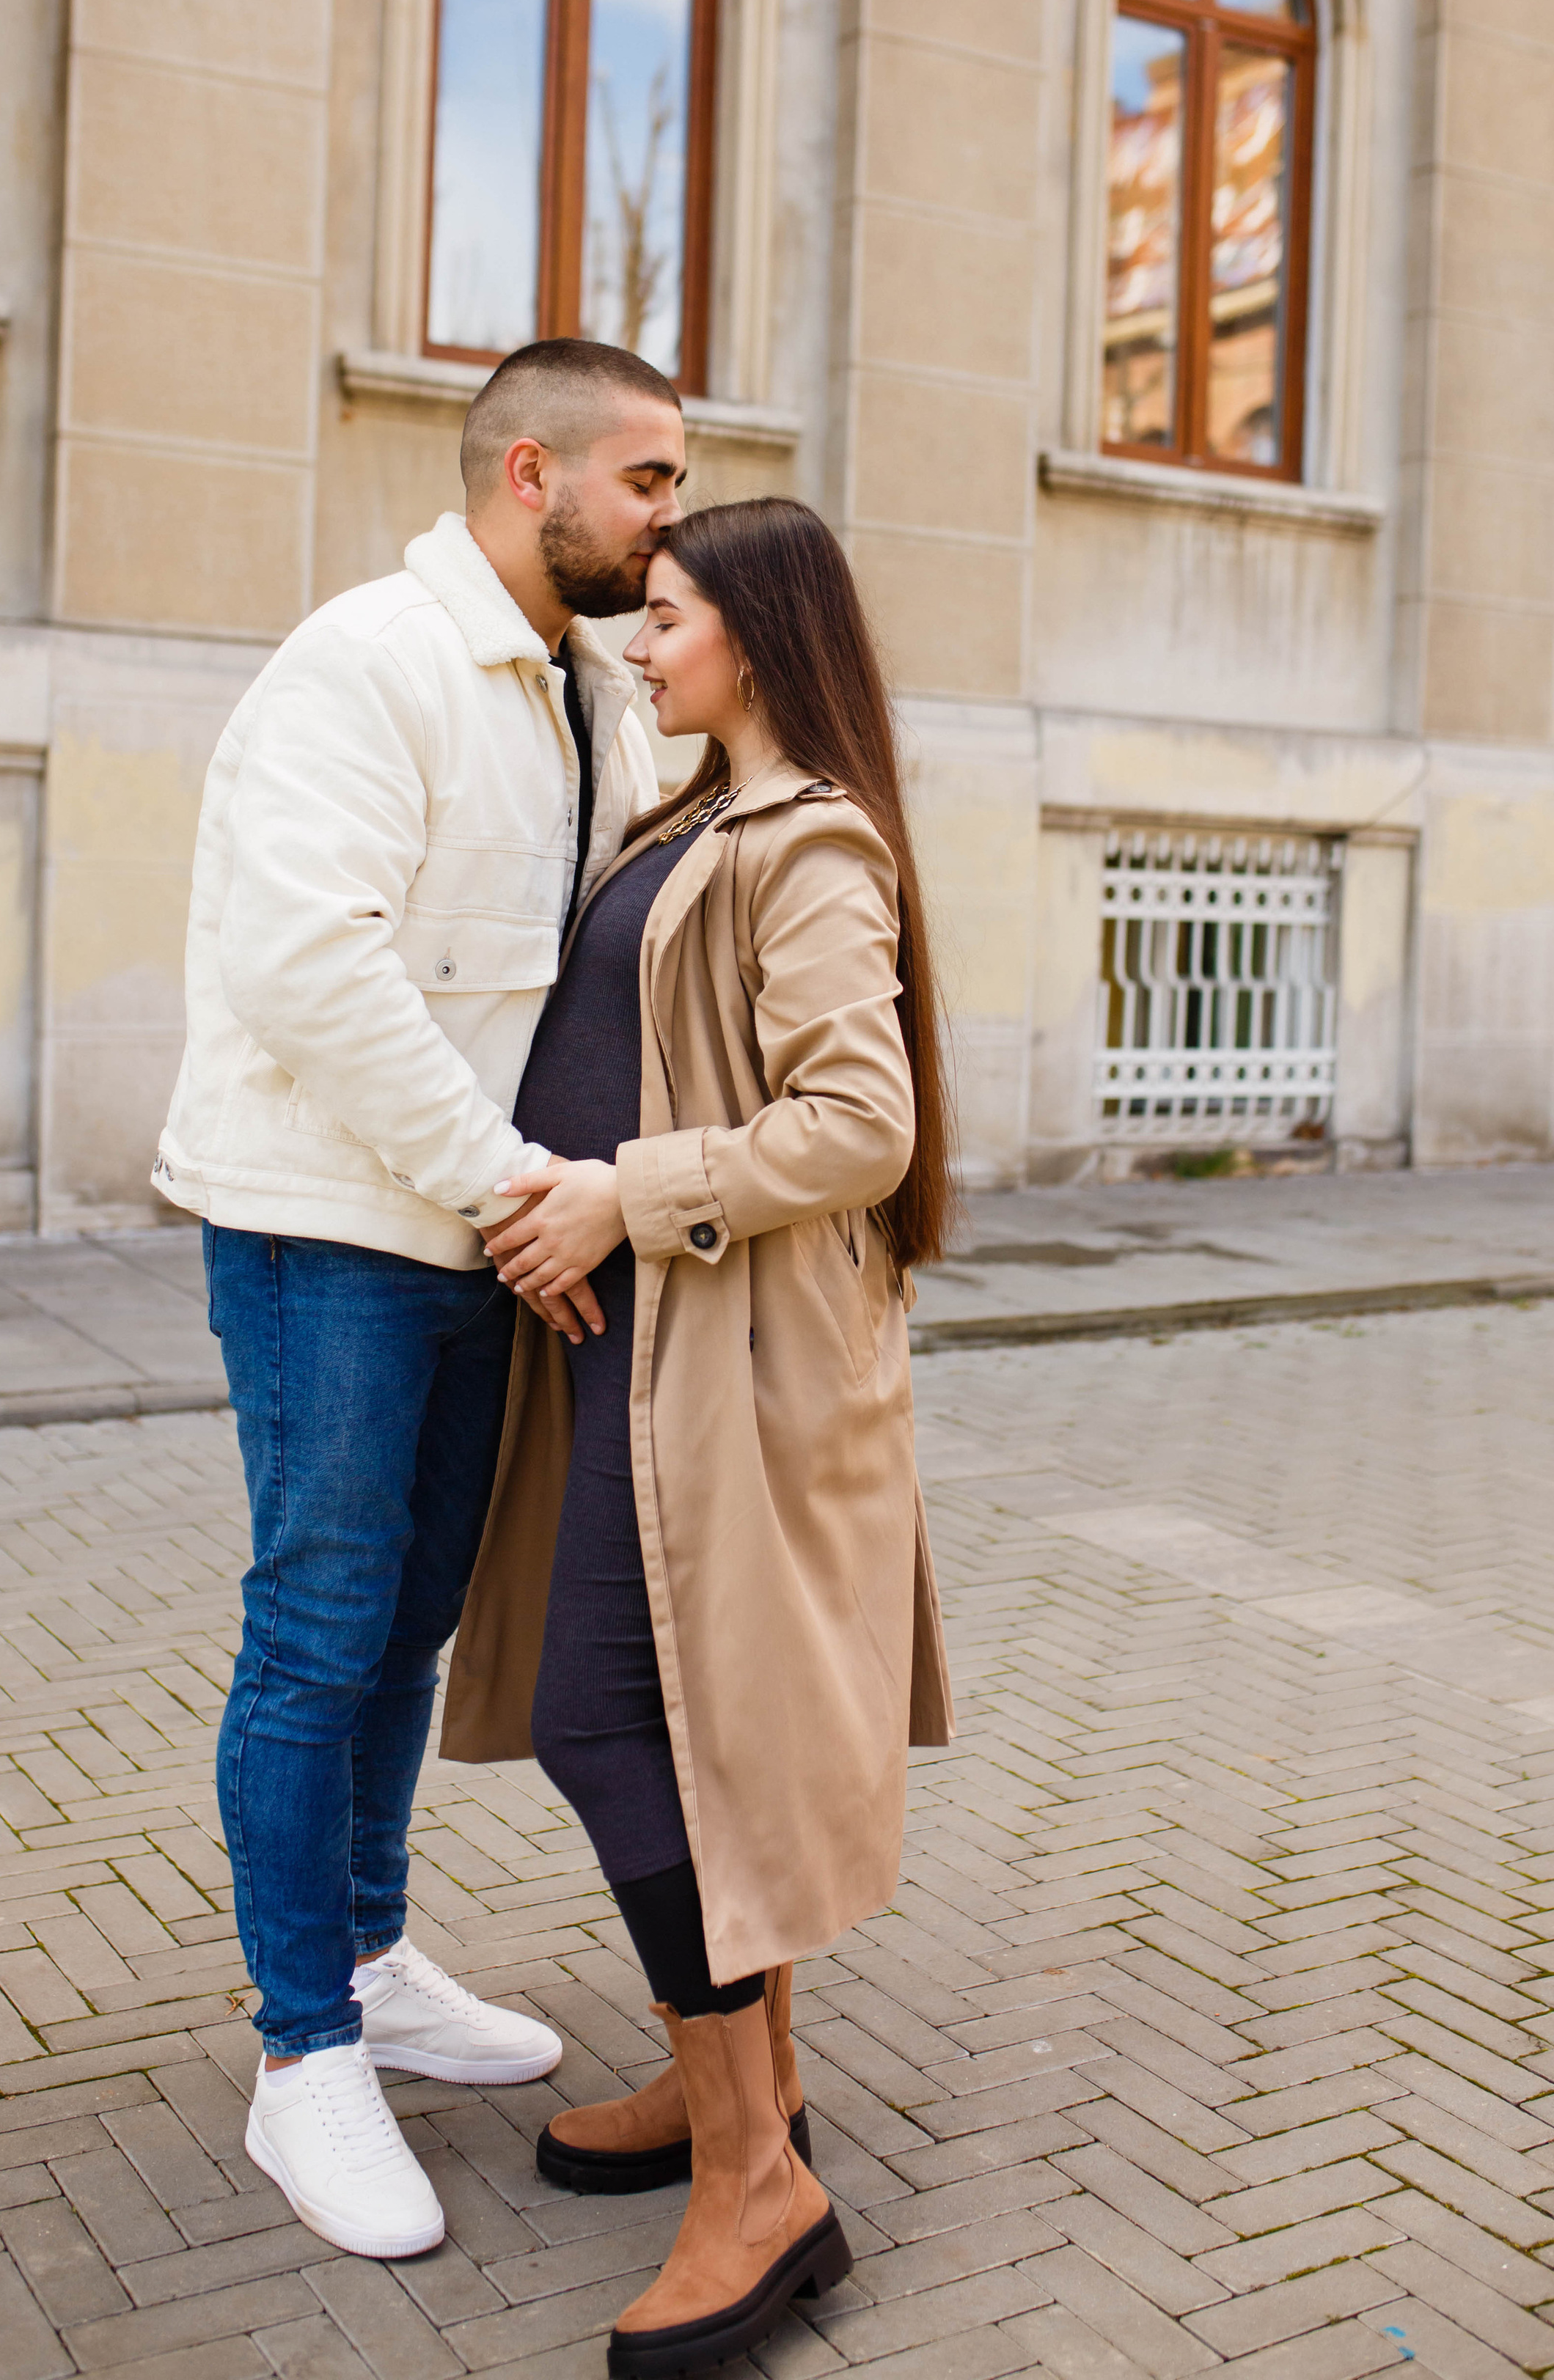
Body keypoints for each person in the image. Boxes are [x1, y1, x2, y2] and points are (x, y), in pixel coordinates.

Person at [153, 337, 683, 2260]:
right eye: (653, 483)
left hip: (476, 1231)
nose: (671, 519)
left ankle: (369, 1958)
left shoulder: (581, 688)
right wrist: (509, 1184)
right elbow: (310, 963)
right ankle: (303, 2062)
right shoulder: (366, 659)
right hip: (330, 1232)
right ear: (530, 474)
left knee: (410, 1624)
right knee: (318, 1629)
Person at [441, 497, 957, 2377]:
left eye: (664, 619)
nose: (638, 647)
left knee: (607, 1720)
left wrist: (620, 1197)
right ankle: (741, 2084)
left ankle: (760, 2189)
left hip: (720, 1359)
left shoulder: (804, 838)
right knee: (684, 1723)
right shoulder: (686, 820)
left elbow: (858, 1124)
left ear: (752, 631)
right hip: (637, 1355)